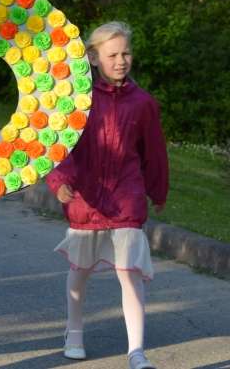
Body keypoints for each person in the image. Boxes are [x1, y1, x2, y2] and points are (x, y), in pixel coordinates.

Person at [45, 22, 168, 369]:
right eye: (112, 54)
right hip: (85, 198)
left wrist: (157, 188)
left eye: (126, 53)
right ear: (93, 57)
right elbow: (61, 146)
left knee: (129, 272)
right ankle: (74, 332)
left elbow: (153, 152)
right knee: (80, 271)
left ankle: (137, 350)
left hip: (126, 196)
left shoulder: (143, 103)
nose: (120, 60)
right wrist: (61, 181)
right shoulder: (77, 99)